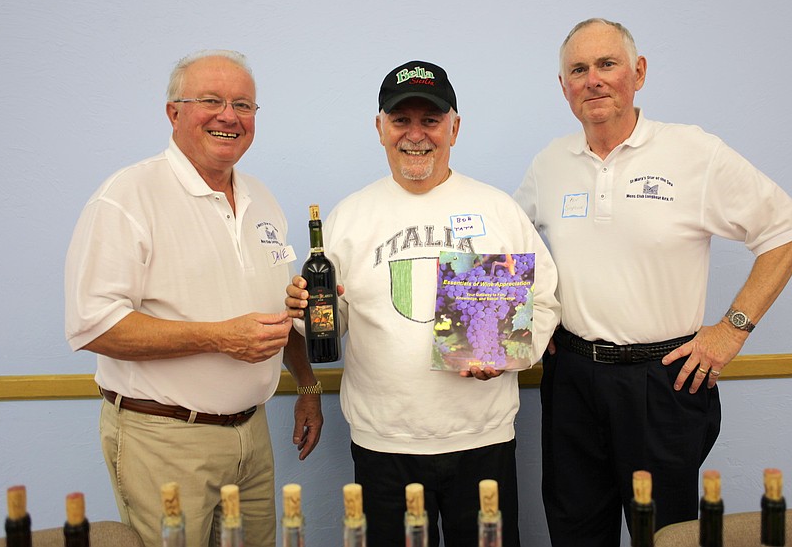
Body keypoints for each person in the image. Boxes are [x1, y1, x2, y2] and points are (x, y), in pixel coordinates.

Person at [513, 18, 792, 546]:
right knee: (575, 528)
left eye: (607, 64)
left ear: (639, 72)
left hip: (663, 382)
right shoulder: (549, 164)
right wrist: (526, 330)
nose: (593, 80)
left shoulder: (694, 152)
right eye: (578, 70)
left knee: (668, 535)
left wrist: (732, 329)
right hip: (572, 381)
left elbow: (787, 231)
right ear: (563, 88)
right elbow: (512, 252)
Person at [285, 60, 562, 547]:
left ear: (454, 126)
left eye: (430, 120)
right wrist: (307, 311)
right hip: (383, 442)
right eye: (401, 120)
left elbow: (543, 302)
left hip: (482, 438)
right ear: (380, 128)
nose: (416, 135)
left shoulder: (498, 209)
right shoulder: (349, 215)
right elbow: (334, 324)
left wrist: (509, 354)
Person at [64, 50, 323, 547]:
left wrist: (307, 386)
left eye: (244, 105)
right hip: (165, 439)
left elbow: (279, 316)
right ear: (174, 112)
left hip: (253, 433)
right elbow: (93, 325)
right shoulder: (127, 196)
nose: (229, 116)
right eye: (211, 100)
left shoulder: (261, 199)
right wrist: (218, 337)